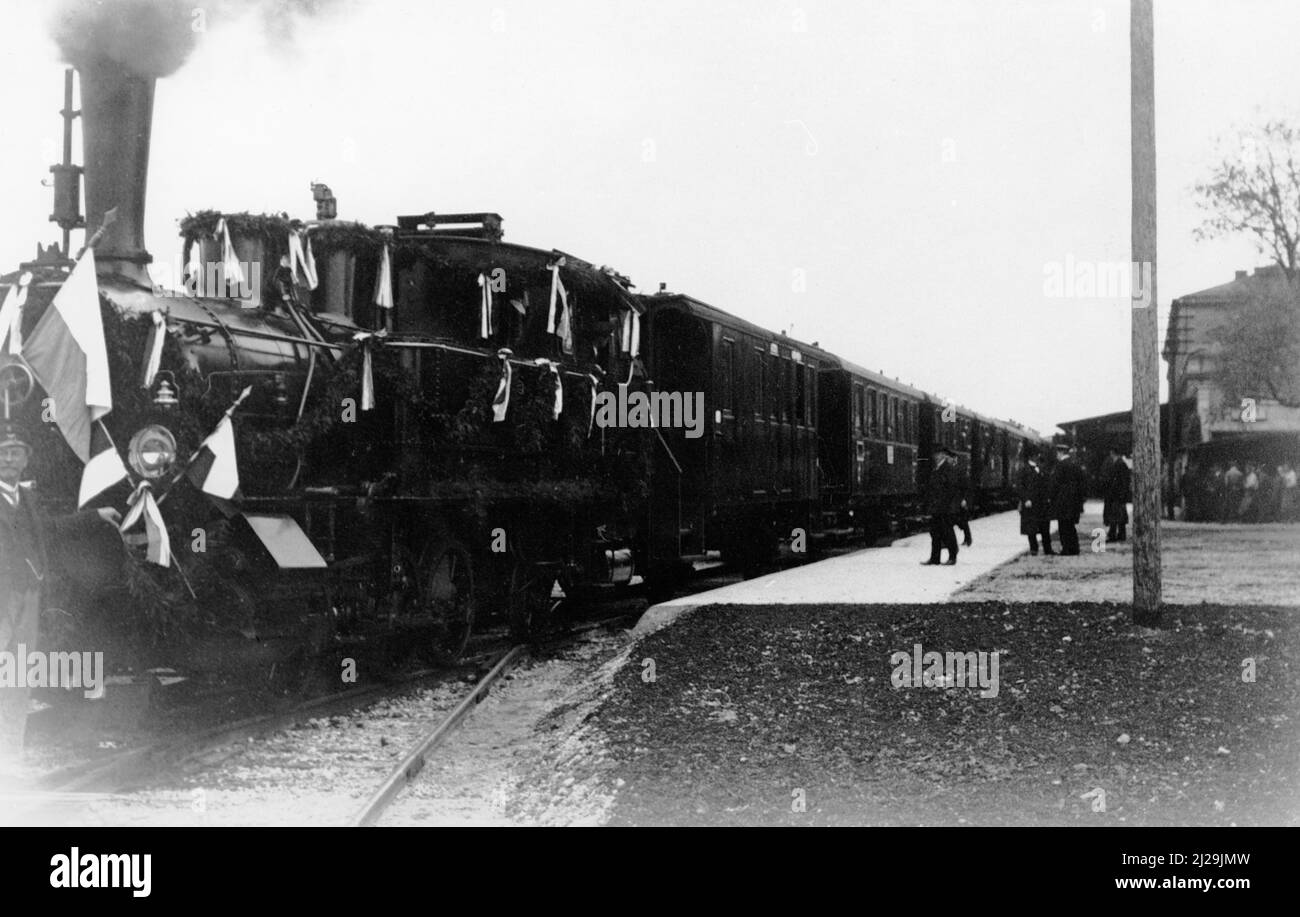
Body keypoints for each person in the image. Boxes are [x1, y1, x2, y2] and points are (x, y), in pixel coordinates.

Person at [0, 422, 119, 770]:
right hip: (2, 597)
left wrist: (94, 515)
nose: (9, 459)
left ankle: (9, 753)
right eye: (3, 453)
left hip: (29, 595)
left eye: (16, 453)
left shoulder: (27, 498)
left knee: (18, 675)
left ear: (25, 460)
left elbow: (50, 528)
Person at [921, 446, 962, 566]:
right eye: (935, 454)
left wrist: (945, 504)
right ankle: (935, 558)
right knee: (935, 533)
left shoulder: (947, 469)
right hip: (937, 507)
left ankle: (952, 556)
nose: (935, 456)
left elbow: (951, 489)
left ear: (943, 455)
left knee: (947, 532)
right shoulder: (937, 469)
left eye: (938, 454)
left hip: (945, 507)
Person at [1049, 444, 1087, 555]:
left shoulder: (1060, 466)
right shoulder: (1075, 465)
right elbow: (1082, 483)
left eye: (1057, 453)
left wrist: (1051, 497)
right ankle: (1075, 548)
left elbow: (1054, 484)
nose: (1056, 455)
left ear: (1060, 453)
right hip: (1073, 502)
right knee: (1071, 526)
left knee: (1063, 526)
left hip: (1062, 502)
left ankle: (1066, 548)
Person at [1017, 446, 1053, 555]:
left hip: (1042, 503)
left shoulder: (1041, 469)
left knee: (1044, 527)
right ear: (1032, 456)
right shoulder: (1024, 470)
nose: (1038, 457)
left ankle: (1047, 548)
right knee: (1031, 528)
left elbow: (1048, 484)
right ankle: (1034, 548)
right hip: (1030, 503)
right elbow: (1020, 487)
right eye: (1036, 455)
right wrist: (1025, 499)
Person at [1101, 446, 1131, 542]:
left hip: (1116, 494)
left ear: (1113, 453)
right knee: (1119, 515)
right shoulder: (1120, 464)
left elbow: (1123, 480)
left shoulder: (1119, 464)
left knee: (1115, 515)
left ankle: (1113, 534)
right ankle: (1120, 534)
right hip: (1117, 494)